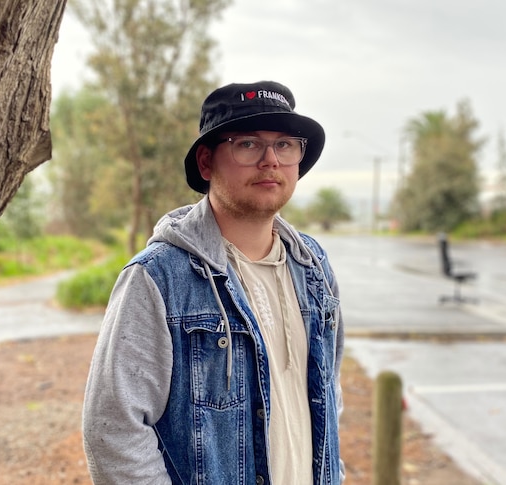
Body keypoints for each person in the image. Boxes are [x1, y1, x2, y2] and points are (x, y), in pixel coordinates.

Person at [82, 80, 345, 484]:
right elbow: (113, 429)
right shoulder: (159, 277)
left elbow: (328, 394)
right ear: (206, 163)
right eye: (248, 144)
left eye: (285, 144)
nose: (270, 160)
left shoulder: (314, 268)